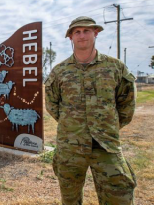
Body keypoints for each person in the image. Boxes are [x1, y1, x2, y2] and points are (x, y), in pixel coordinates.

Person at [45, 16, 137, 205]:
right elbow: (52, 104)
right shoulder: (60, 71)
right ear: (70, 37)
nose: (82, 35)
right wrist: (73, 124)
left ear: (96, 33)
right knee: (70, 199)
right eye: (76, 32)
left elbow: (126, 104)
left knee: (119, 197)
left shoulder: (115, 67)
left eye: (86, 30)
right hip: (70, 146)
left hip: (106, 145)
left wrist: (107, 126)